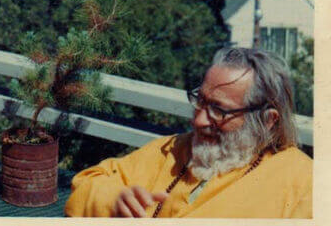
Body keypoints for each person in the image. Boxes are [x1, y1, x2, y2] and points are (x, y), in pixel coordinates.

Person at [65, 47, 312, 218]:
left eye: (219, 110)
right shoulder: (174, 149)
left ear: (268, 120)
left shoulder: (304, 182)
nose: (199, 119)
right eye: (200, 101)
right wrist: (114, 202)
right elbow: (86, 183)